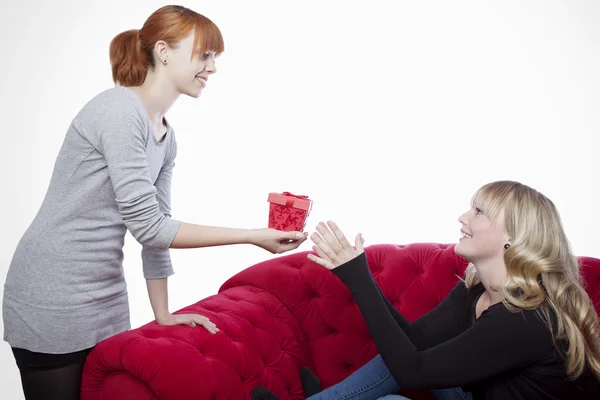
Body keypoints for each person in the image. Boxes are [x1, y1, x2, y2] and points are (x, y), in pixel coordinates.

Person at [2, 5, 307, 400]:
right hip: (53, 293)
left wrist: (162, 314)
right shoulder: (118, 110)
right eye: (204, 55)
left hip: (105, 297)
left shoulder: (166, 135)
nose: (212, 68)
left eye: (214, 58)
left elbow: (156, 229)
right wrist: (252, 236)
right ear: (163, 52)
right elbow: (150, 226)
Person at [251, 180, 600, 400]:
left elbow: (413, 370)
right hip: (478, 392)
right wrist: (359, 277)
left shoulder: (526, 320)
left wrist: (357, 277)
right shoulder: (475, 290)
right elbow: (413, 343)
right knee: (398, 354)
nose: (464, 217)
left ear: (513, 237)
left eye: (478, 212)